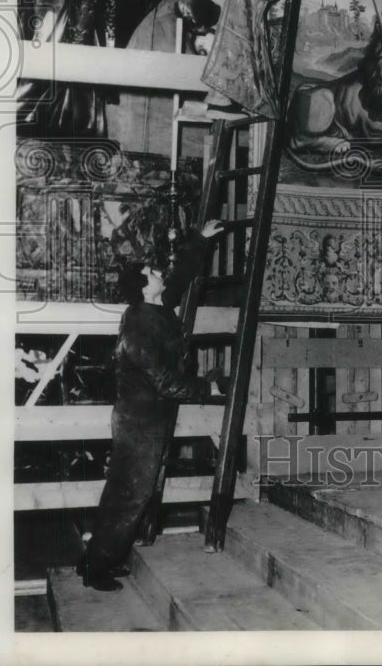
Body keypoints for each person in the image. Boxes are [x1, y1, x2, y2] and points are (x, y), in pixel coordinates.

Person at [75, 219, 226, 591]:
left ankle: (93, 561)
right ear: (144, 287)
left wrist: (199, 240)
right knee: (133, 493)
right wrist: (208, 389)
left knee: (123, 491)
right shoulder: (140, 325)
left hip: (145, 418)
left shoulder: (155, 306)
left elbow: (178, 277)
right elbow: (165, 381)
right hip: (139, 422)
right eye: (151, 272)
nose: (158, 272)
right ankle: (97, 570)